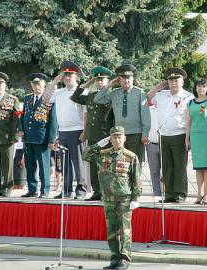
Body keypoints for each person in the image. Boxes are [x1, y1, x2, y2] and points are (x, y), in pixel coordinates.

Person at [82, 126, 141, 270]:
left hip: (124, 198)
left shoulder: (130, 156)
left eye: (120, 137)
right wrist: (98, 144)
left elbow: (136, 178)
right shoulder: (103, 154)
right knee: (112, 231)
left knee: (125, 231)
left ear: (124, 138)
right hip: (108, 198)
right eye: (114, 137)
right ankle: (114, 259)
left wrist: (136, 198)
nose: (117, 140)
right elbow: (85, 155)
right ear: (110, 139)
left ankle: (125, 260)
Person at [147, 67, 194, 203]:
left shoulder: (188, 97)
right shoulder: (162, 95)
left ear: (182, 81)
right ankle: (169, 194)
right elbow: (148, 97)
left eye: (176, 80)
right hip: (164, 135)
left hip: (180, 135)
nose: (173, 83)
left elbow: (191, 119)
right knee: (167, 166)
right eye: (170, 80)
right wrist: (160, 85)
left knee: (179, 166)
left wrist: (188, 138)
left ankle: (180, 194)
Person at [43, 61, 87, 199]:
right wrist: (55, 80)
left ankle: (81, 190)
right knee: (65, 162)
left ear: (76, 76)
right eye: (65, 75)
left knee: (78, 162)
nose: (68, 77)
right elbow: (45, 99)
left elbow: (86, 113)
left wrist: (85, 131)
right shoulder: (59, 92)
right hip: (63, 131)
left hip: (77, 130)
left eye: (70, 75)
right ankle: (66, 190)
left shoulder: (82, 91)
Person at [70, 66, 114, 201]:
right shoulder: (91, 95)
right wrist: (87, 83)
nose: (100, 82)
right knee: (94, 165)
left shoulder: (111, 95)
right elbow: (75, 97)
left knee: (105, 165)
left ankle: (107, 192)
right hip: (92, 134)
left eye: (102, 79)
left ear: (107, 80)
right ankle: (96, 191)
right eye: (98, 80)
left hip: (105, 135)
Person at [94, 64, 150, 164]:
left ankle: (135, 180)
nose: (126, 81)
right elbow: (97, 99)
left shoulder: (139, 93)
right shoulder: (114, 93)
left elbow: (145, 115)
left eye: (128, 78)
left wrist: (145, 134)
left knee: (136, 164)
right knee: (121, 165)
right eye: (123, 78)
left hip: (136, 135)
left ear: (133, 79)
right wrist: (109, 84)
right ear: (119, 80)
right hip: (119, 135)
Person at [21, 73, 58, 198]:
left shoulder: (50, 98)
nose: (37, 87)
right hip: (28, 137)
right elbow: (24, 116)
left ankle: (45, 190)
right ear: (31, 85)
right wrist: (21, 129)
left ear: (44, 85)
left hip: (42, 138)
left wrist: (52, 139)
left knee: (44, 166)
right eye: (34, 84)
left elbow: (53, 121)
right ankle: (32, 189)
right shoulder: (27, 98)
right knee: (30, 166)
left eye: (39, 84)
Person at [185, 79, 207, 205]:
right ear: (195, 88)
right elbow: (188, 122)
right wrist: (186, 138)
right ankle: (199, 194)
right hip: (195, 137)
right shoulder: (190, 103)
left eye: (204, 87)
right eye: (199, 86)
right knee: (198, 168)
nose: (201, 89)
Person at [146, 99, 161, 196]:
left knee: (167, 171)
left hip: (165, 143)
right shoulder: (148, 110)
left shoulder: (167, 108)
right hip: (151, 143)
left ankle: (168, 194)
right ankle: (157, 194)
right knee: (154, 171)